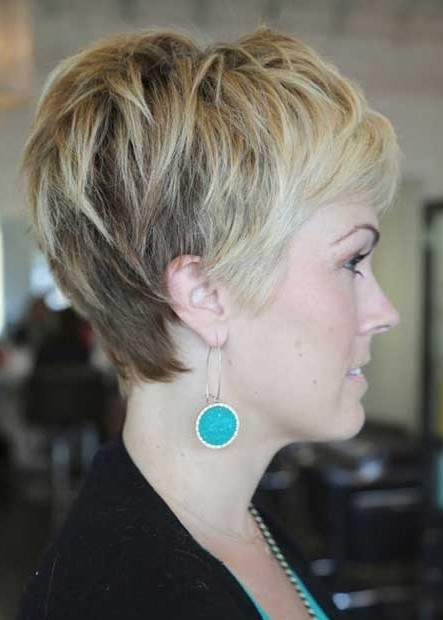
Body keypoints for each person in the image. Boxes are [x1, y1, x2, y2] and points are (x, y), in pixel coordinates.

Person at [16, 26, 400, 620]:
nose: (384, 313)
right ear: (206, 294)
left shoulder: (237, 525)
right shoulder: (124, 596)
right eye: (350, 262)